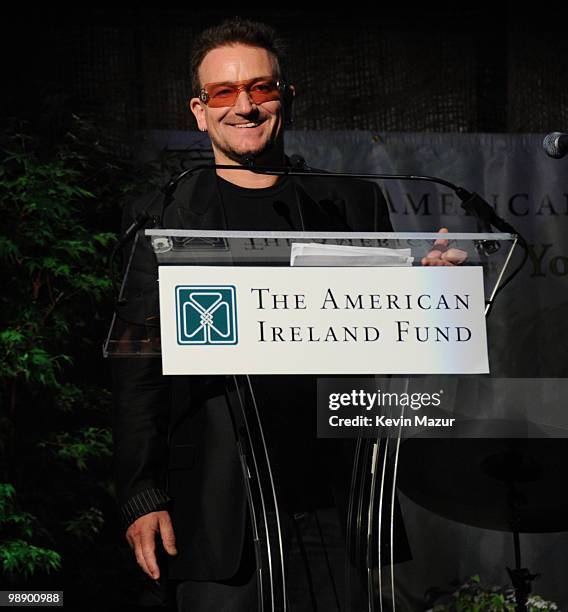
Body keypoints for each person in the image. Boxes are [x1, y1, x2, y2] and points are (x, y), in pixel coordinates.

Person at [111, 17, 462, 611]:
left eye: (261, 88)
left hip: (332, 500)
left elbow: (385, 346)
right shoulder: (162, 218)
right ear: (199, 111)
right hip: (217, 510)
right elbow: (135, 368)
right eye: (224, 92)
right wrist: (142, 492)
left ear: (287, 98)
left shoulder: (350, 203)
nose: (244, 106)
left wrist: (425, 300)